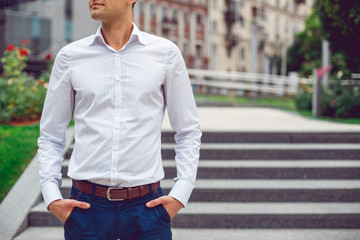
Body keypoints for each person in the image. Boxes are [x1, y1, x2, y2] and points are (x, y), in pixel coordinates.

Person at [37, 0, 201, 239]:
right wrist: (51, 197)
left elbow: (188, 130)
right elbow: (51, 135)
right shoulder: (71, 57)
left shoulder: (165, 54)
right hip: (86, 211)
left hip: (147, 211)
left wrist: (180, 194)